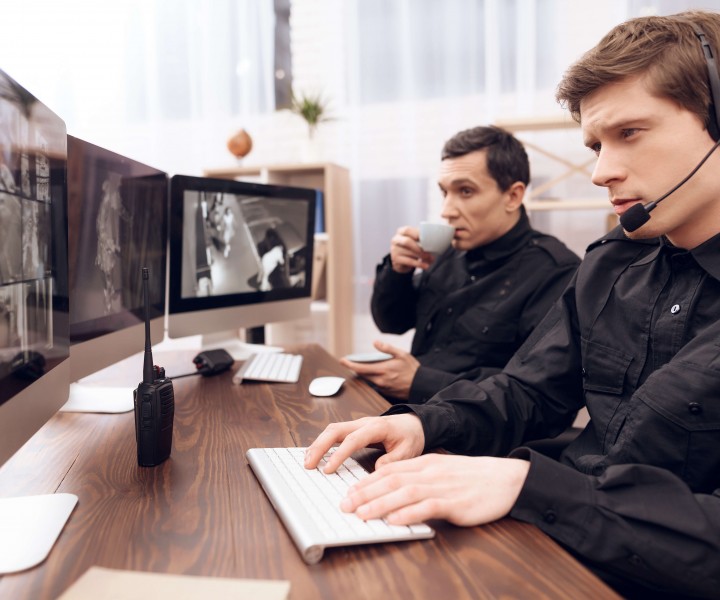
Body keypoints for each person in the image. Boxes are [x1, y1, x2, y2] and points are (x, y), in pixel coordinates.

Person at [305, 10, 720, 599]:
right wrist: (421, 423)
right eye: (595, 144)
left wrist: (530, 487)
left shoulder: (556, 266)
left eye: (629, 133)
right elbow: (529, 390)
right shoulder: (610, 266)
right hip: (554, 541)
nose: (602, 171)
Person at [342, 126, 580, 403]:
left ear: (513, 196)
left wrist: (420, 382)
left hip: (472, 437)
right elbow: (392, 322)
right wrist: (398, 271)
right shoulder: (449, 252)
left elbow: (537, 396)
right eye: (445, 192)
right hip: (410, 410)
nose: (447, 211)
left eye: (465, 191)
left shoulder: (555, 272)